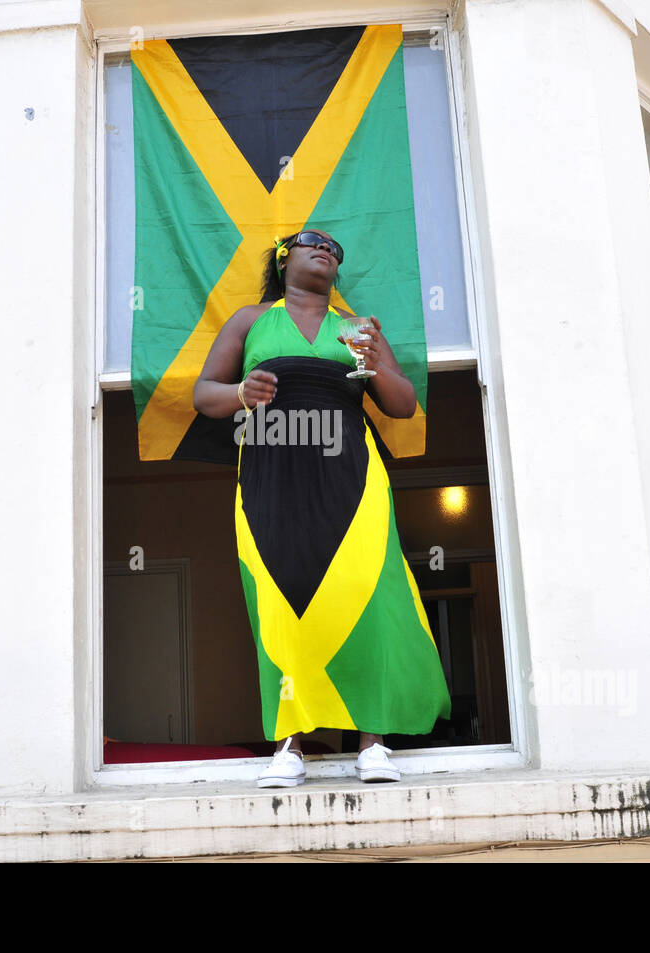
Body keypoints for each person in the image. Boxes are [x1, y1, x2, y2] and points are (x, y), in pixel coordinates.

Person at [193, 228, 452, 788]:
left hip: (352, 479)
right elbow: (203, 395)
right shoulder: (249, 321)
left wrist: (375, 361)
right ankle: (290, 747)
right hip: (269, 478)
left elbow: (403, 405)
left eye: (336, 248)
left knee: (369, 600)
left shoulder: (358, 328)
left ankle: (373, 743)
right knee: (281, 602)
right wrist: (242, 392)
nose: (327, 251)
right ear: (284, 259)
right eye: (313, 244)